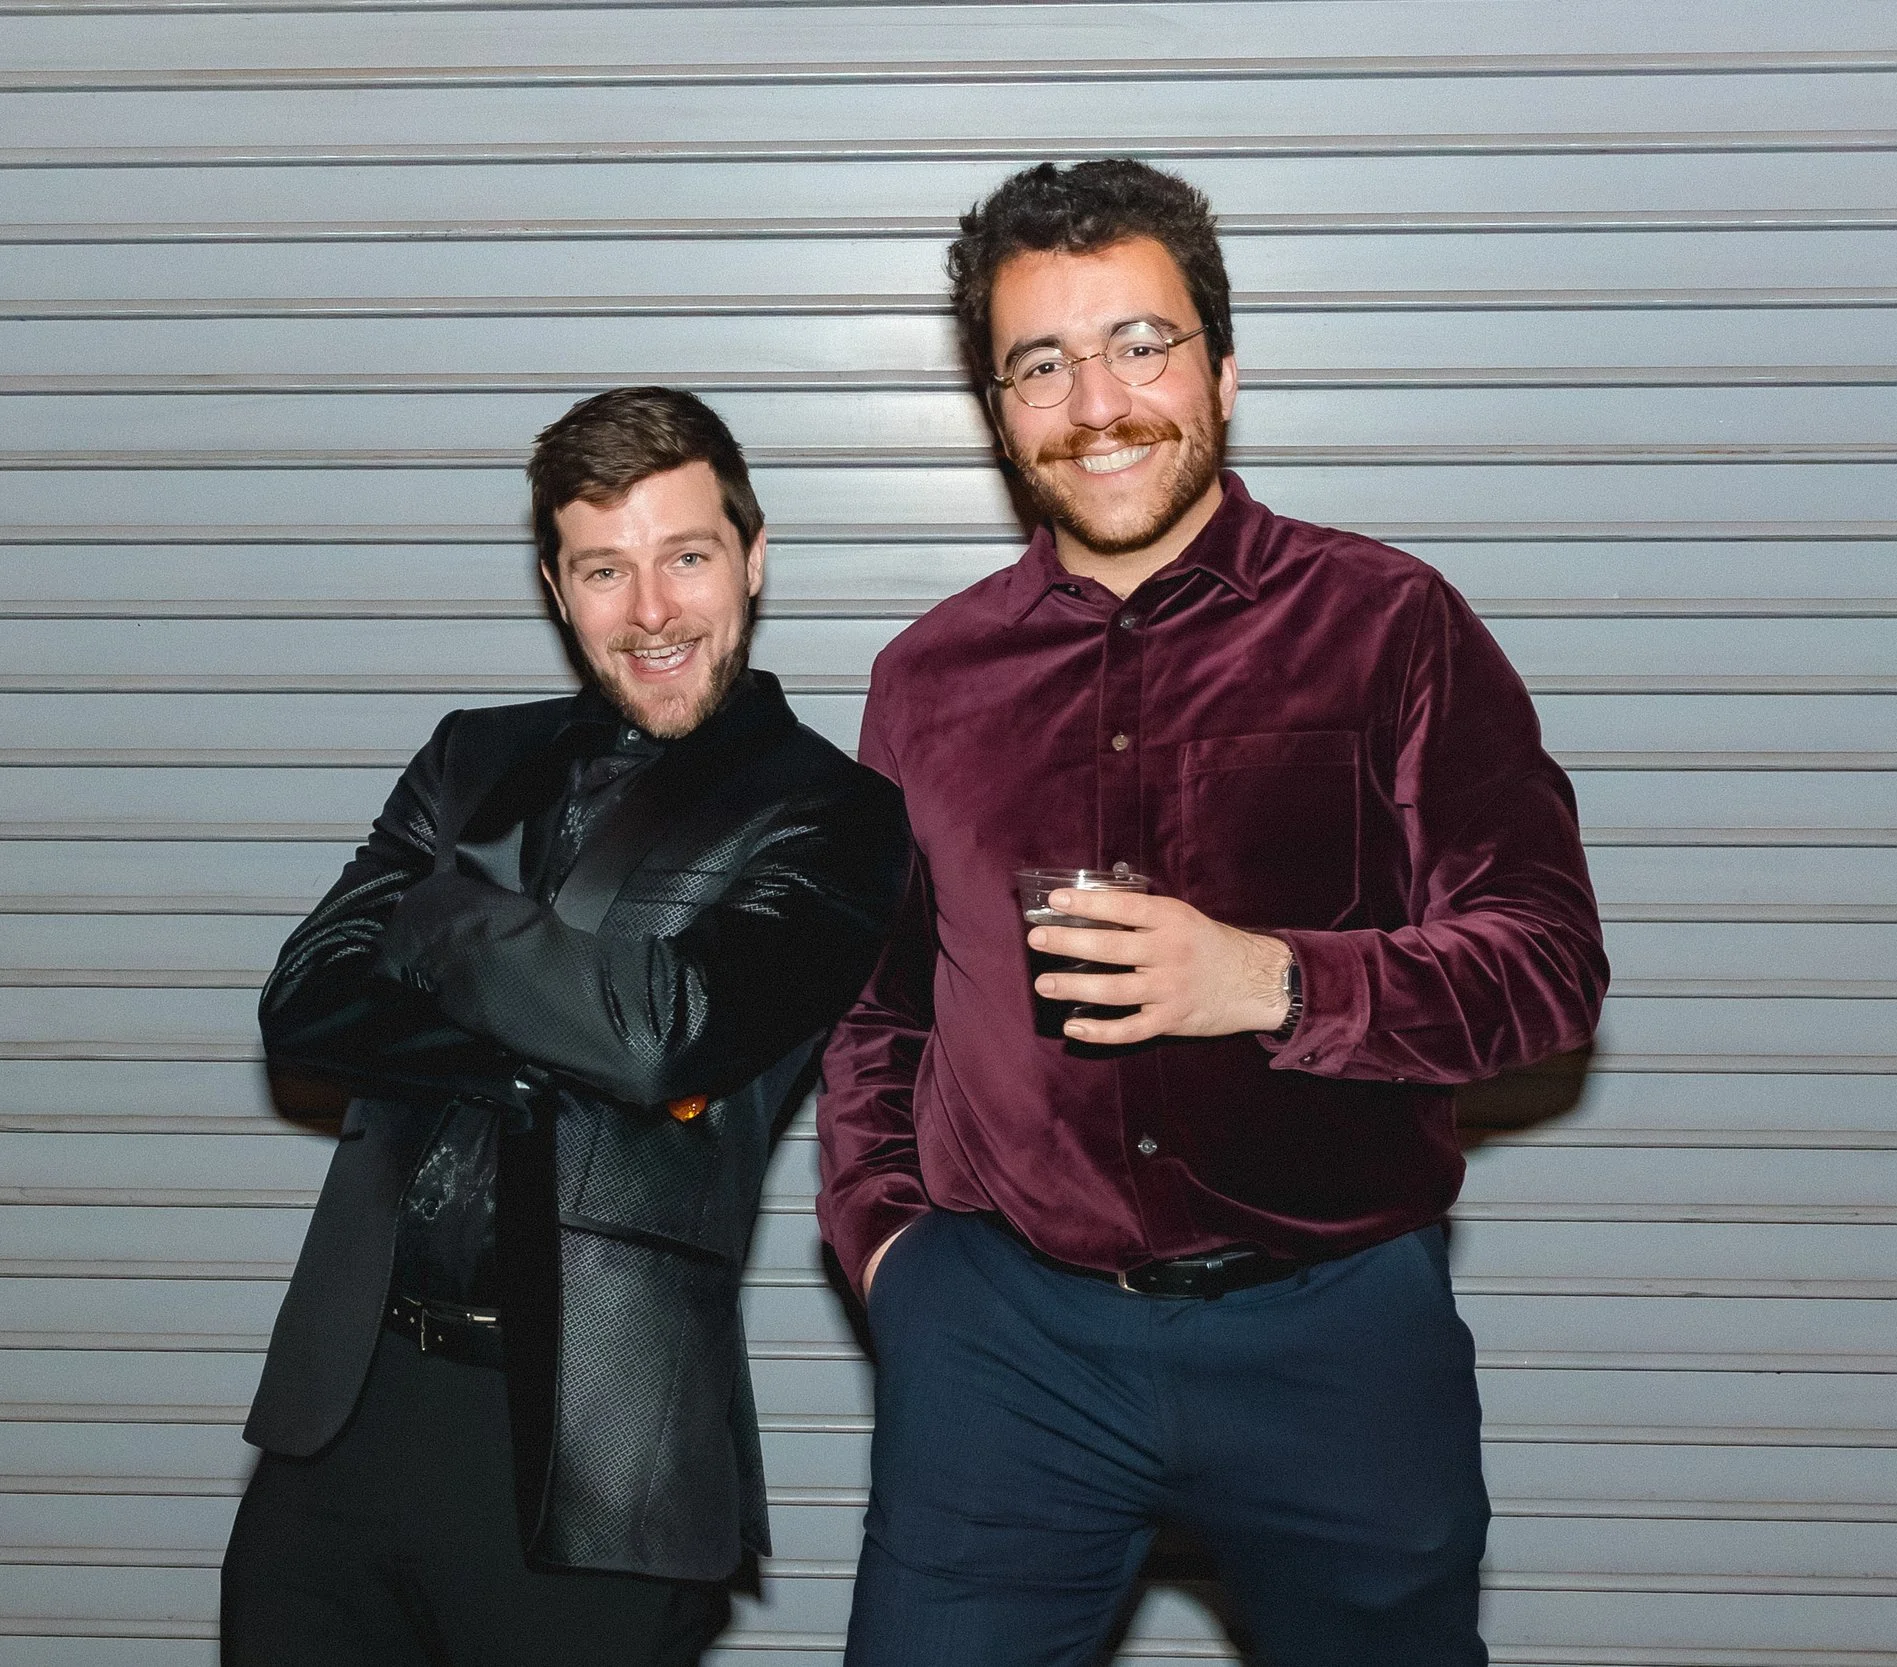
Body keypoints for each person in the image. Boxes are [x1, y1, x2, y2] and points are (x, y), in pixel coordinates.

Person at [815, 159, 1610, 1666]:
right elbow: (883, 1009)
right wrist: (889, 1250)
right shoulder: (925, 678)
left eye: (1139, 343)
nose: (1095, 399)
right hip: (1008, 1340)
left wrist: (1271, 980)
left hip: (1335, 1339)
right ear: (999, 408)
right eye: (1040, 362)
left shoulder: (1390, 625)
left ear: (1224, 372)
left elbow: (1550, 965)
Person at [223, 387, 911, 1667]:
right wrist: (562, 1045)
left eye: (685, 556)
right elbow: (306, 1004)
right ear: (557, 584)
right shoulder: (468, 756)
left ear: (754, 558)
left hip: (599, 1453)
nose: (650, 610)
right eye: (606, 568)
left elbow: (668, 1035)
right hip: (344, 1421)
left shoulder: (835, 813)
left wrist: (444, 922)